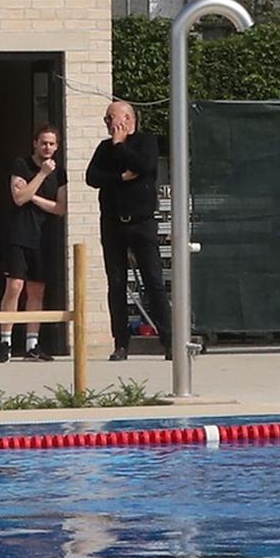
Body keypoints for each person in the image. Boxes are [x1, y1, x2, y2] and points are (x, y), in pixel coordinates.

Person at [83, 99, 173, 361]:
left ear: (128, 119)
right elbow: (92, 177)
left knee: (153, 281)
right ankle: (121, 342)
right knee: (117, 283)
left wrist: (121, 145)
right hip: (112, 222)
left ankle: (168, 340)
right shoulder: (104, 148)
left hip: (141, 222)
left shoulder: (146, 142)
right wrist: (119, 177)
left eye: (113, 118)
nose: (110, 124)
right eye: (107, 120)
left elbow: (145, 167)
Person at [1, 125, 70, 361]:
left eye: (51, 144)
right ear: (35, 143)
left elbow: (60, 208)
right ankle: (5, 341)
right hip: (20, 233)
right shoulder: (22, 165)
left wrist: (34, 196)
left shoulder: (60, 172)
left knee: (36, 290)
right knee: (15, 287)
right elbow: (19, 198)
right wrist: (41, 174)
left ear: (57, 146)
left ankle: (32, 344)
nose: (47, 147)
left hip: (45, 236)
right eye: (43, 143)